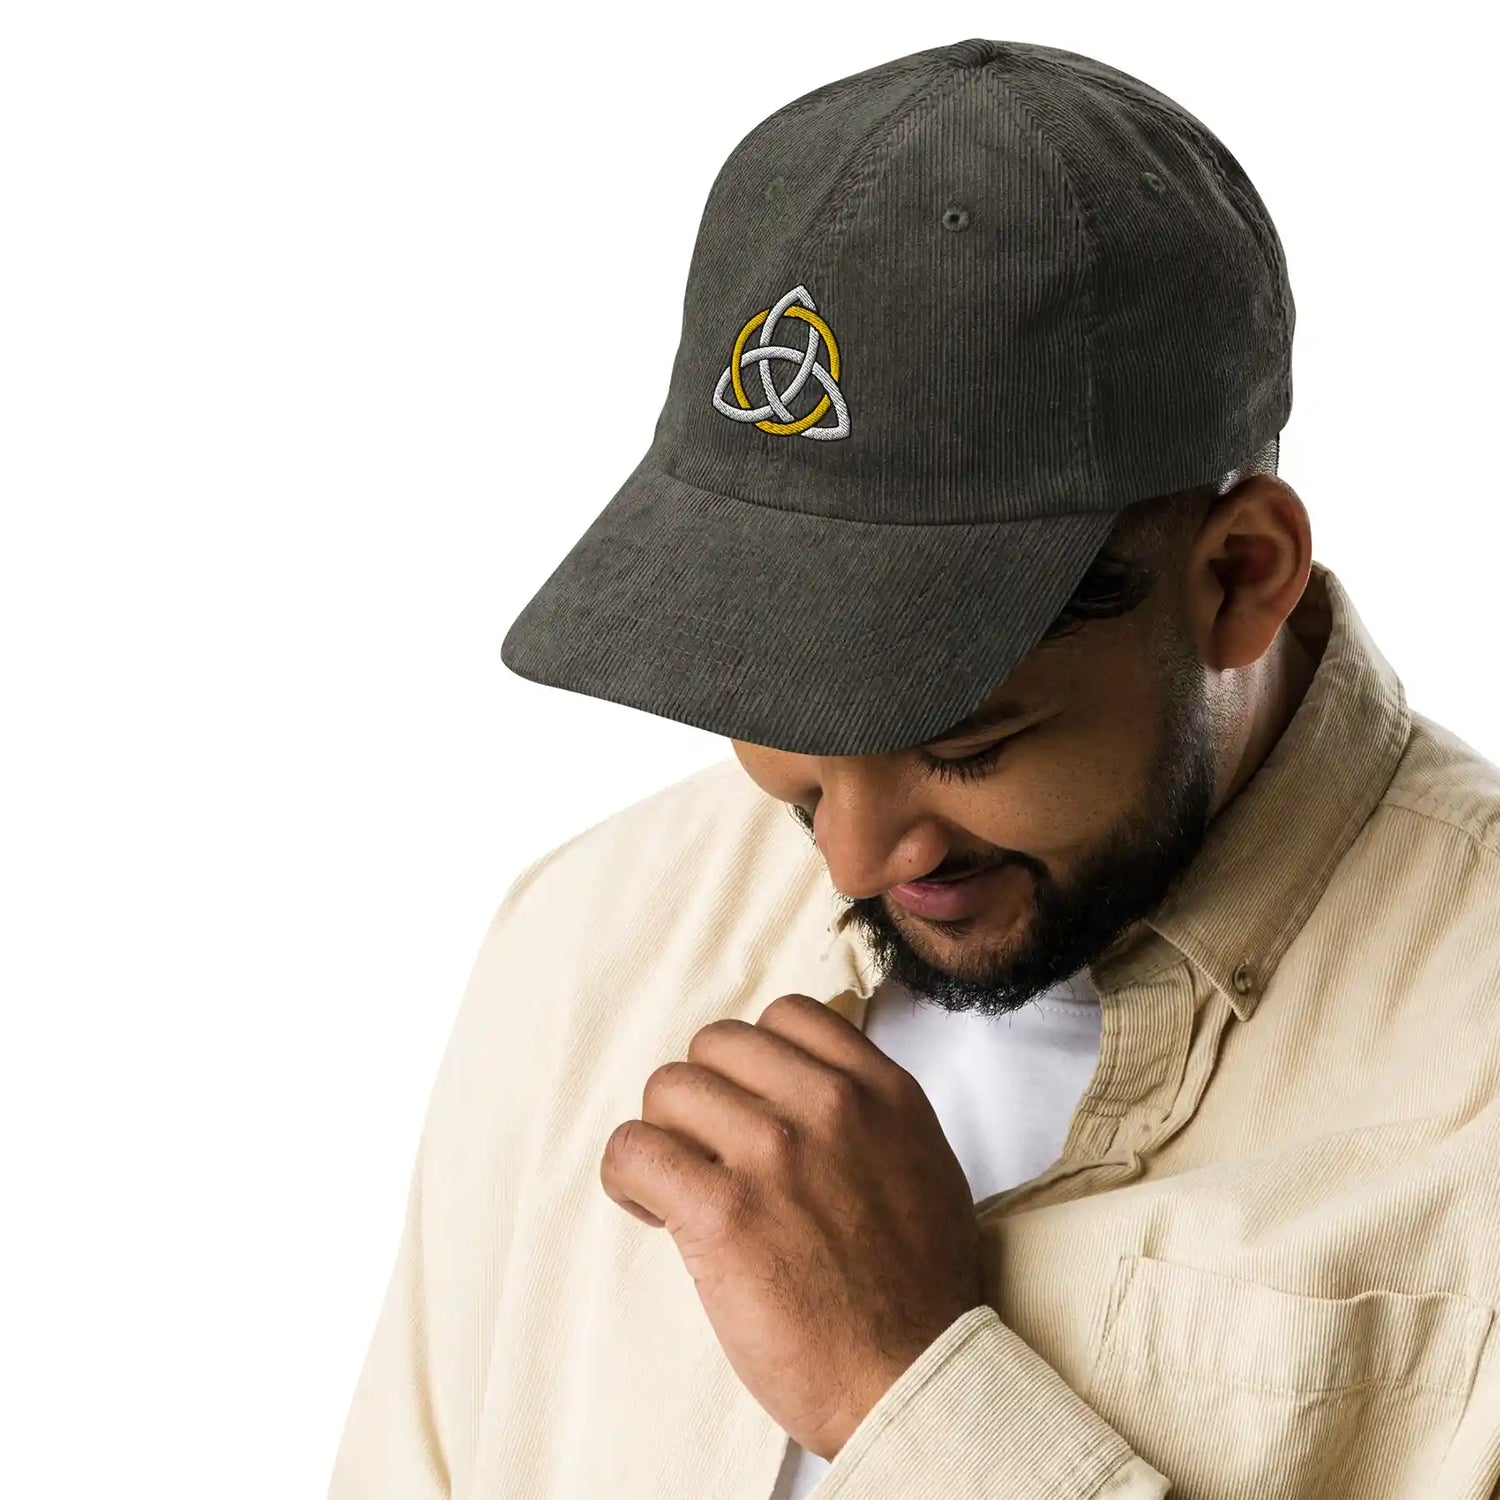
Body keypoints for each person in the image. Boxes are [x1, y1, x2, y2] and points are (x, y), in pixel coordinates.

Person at [325, 37, 1500, 1500]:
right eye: (793, 743)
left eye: (964, 743)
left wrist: (913, 1400)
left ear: (1238, 578)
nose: (851, 861)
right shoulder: (580, 938)